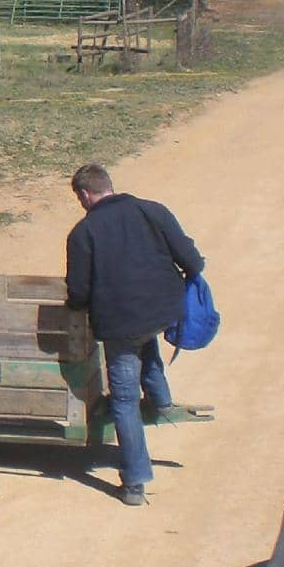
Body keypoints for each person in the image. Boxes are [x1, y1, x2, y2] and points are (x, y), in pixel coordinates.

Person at [63, 163, 205, 507]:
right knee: (146, 337)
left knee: (124, 401)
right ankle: (160, 399)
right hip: (162, 312)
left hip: (120, 324)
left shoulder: (83, 233)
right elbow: (193, 261)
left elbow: (79, 293)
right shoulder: (153, 211)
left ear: (84, 195)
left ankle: (135, 481)